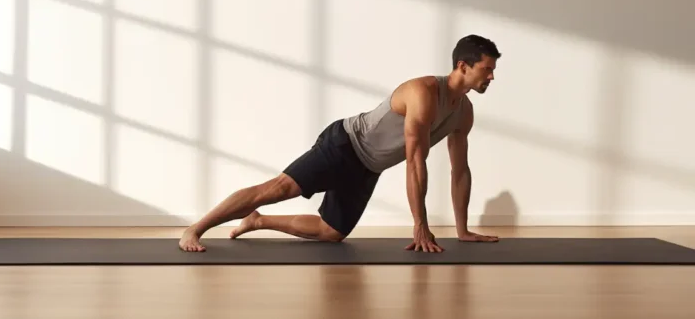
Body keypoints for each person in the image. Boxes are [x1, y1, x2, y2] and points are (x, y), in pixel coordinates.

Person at [180, 34, 501, 253]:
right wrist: (420, 225)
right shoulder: (424, 92)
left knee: (331, 233)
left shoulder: (464, 112)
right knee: (279, 189)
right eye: (487, 69)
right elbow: (416, 160)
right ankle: (195, 229)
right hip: (345, 144)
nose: (491, 77)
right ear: (463, 66)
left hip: (367, 168)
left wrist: (463, 230)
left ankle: (257, 220)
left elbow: (460, 171)